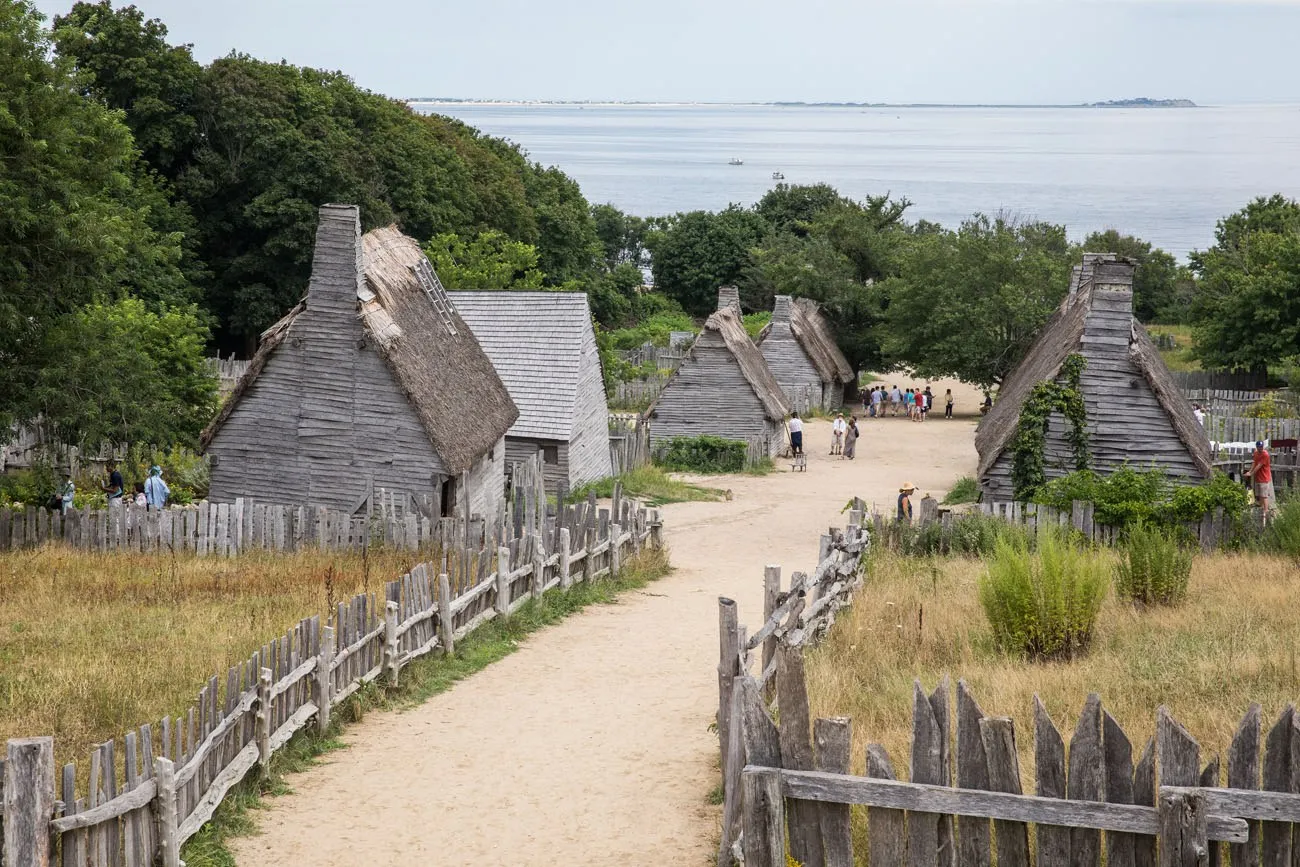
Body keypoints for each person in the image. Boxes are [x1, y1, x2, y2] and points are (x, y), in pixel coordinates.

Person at [1246, 440, 1274, 523]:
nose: (1260, 448)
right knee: (1259, 495)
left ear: (1263, 447)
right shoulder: (1256, 453)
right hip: (1258, 478)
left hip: (1264, 478)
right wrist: (1249, 471)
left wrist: (1251, 473)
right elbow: (1254, 463)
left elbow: (1259, 466)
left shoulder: (1265, 455)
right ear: (1257, 447)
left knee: (1264, 496)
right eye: (1259, 447)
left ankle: (1266, 511)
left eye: (1261, 447)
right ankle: (1261, 509)